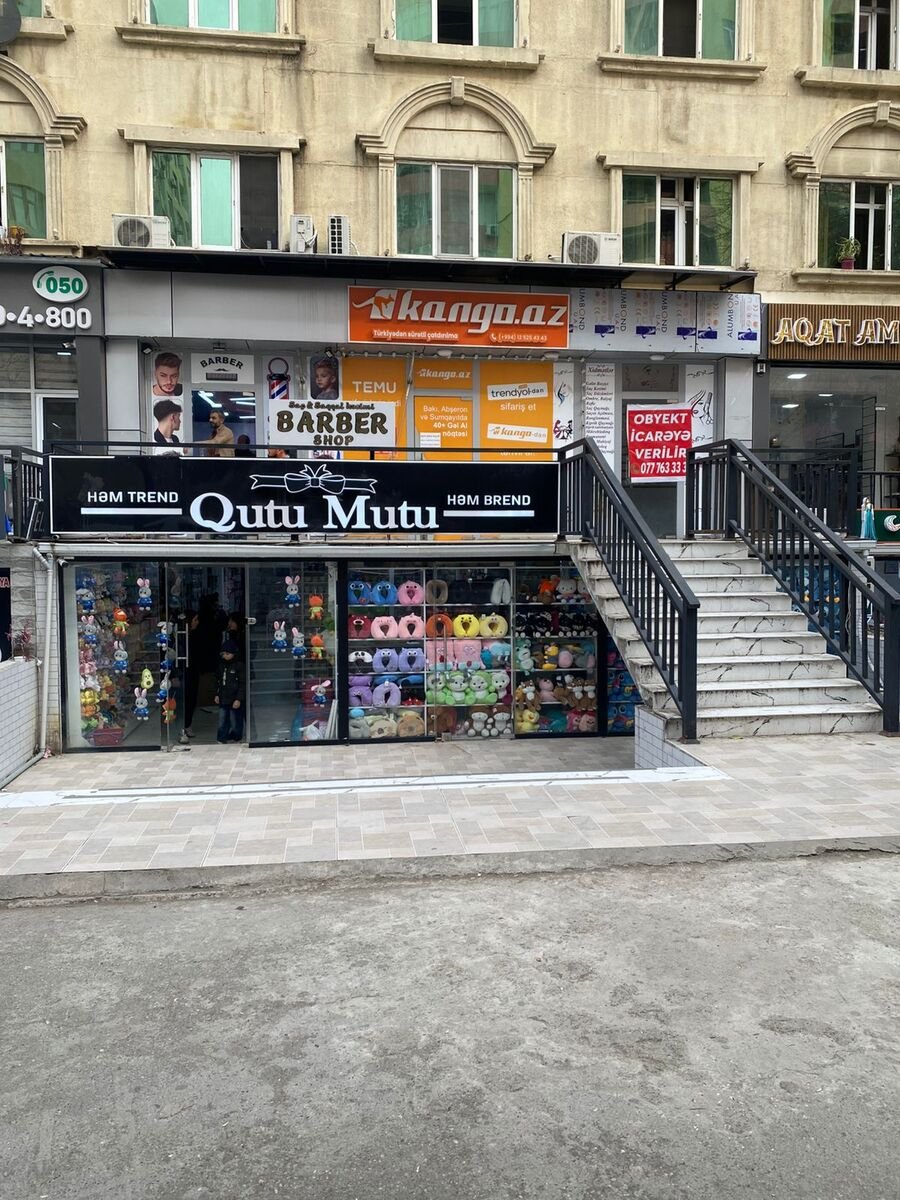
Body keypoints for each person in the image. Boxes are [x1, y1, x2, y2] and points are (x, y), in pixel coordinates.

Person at [214, 640, 244, 743]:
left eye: (227, 654)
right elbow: (218, 681)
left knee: (235, 720)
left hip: (234, 697)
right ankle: (221, 738)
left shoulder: (239, 665)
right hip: (223, 697)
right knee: (222, 719)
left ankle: (236, 736)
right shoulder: (221, 666)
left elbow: (242, 684)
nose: (225, 656)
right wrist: (217, 694)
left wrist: (238, 699)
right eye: (223, 654)